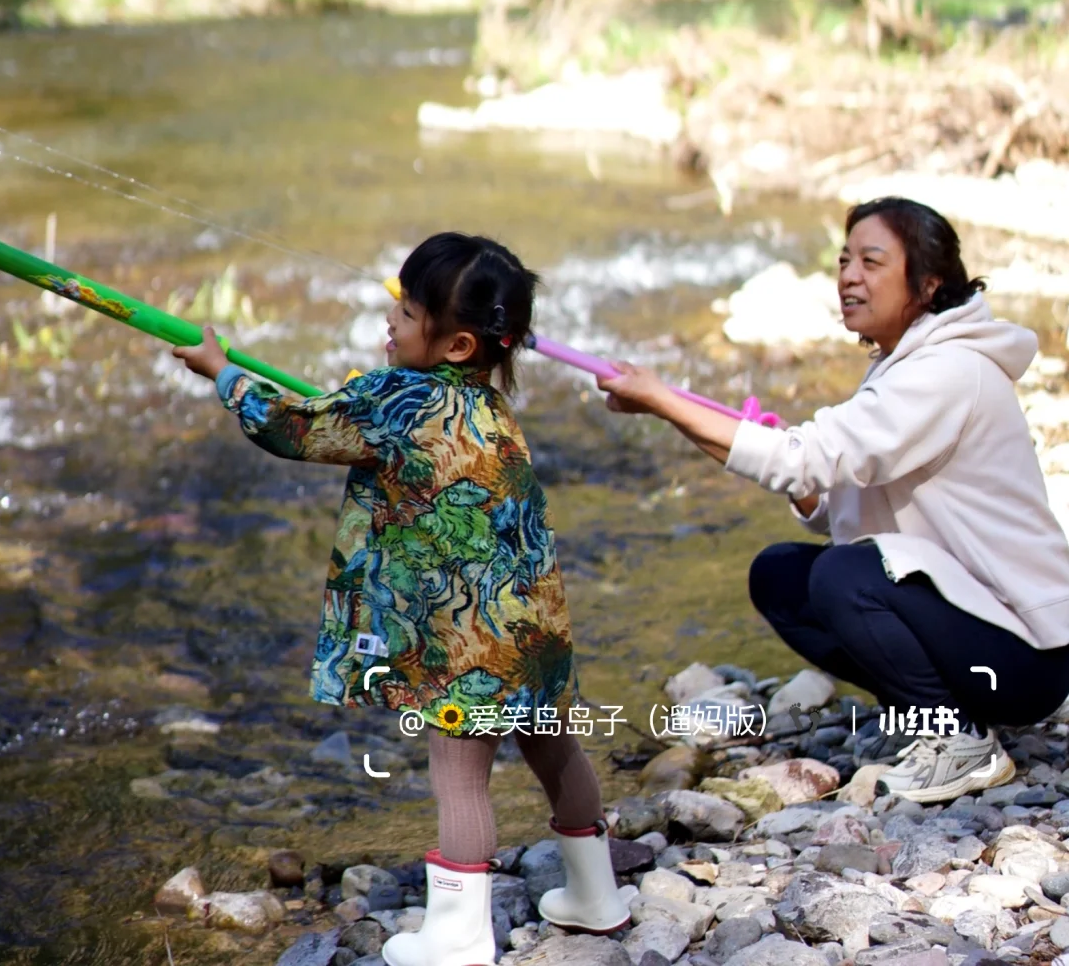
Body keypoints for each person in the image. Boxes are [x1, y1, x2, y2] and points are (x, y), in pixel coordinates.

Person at [174, 232, 632, 966]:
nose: (391, 316)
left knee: (459, 772)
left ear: (454, 344)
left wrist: (223, 374)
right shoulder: (490, 406)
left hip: (463, 638)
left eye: (409, 309)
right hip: (535, 625)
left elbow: (295, 430)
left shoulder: (393, 397)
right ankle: (596, 895)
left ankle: (458, 933)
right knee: (551, 746)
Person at [595, 197, 1069, 805]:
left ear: (927, 285)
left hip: (1024, 663)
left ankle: (959, 741)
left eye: (871, 262)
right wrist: (794, 473)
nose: (848, 276)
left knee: (844, 576)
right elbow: (843, 498)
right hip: (983, 637)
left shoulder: (946, 371)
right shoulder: (905, 363)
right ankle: (932, 718)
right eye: (845, 261)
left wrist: (663, 400)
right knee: (783, 575)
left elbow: (804, 459)